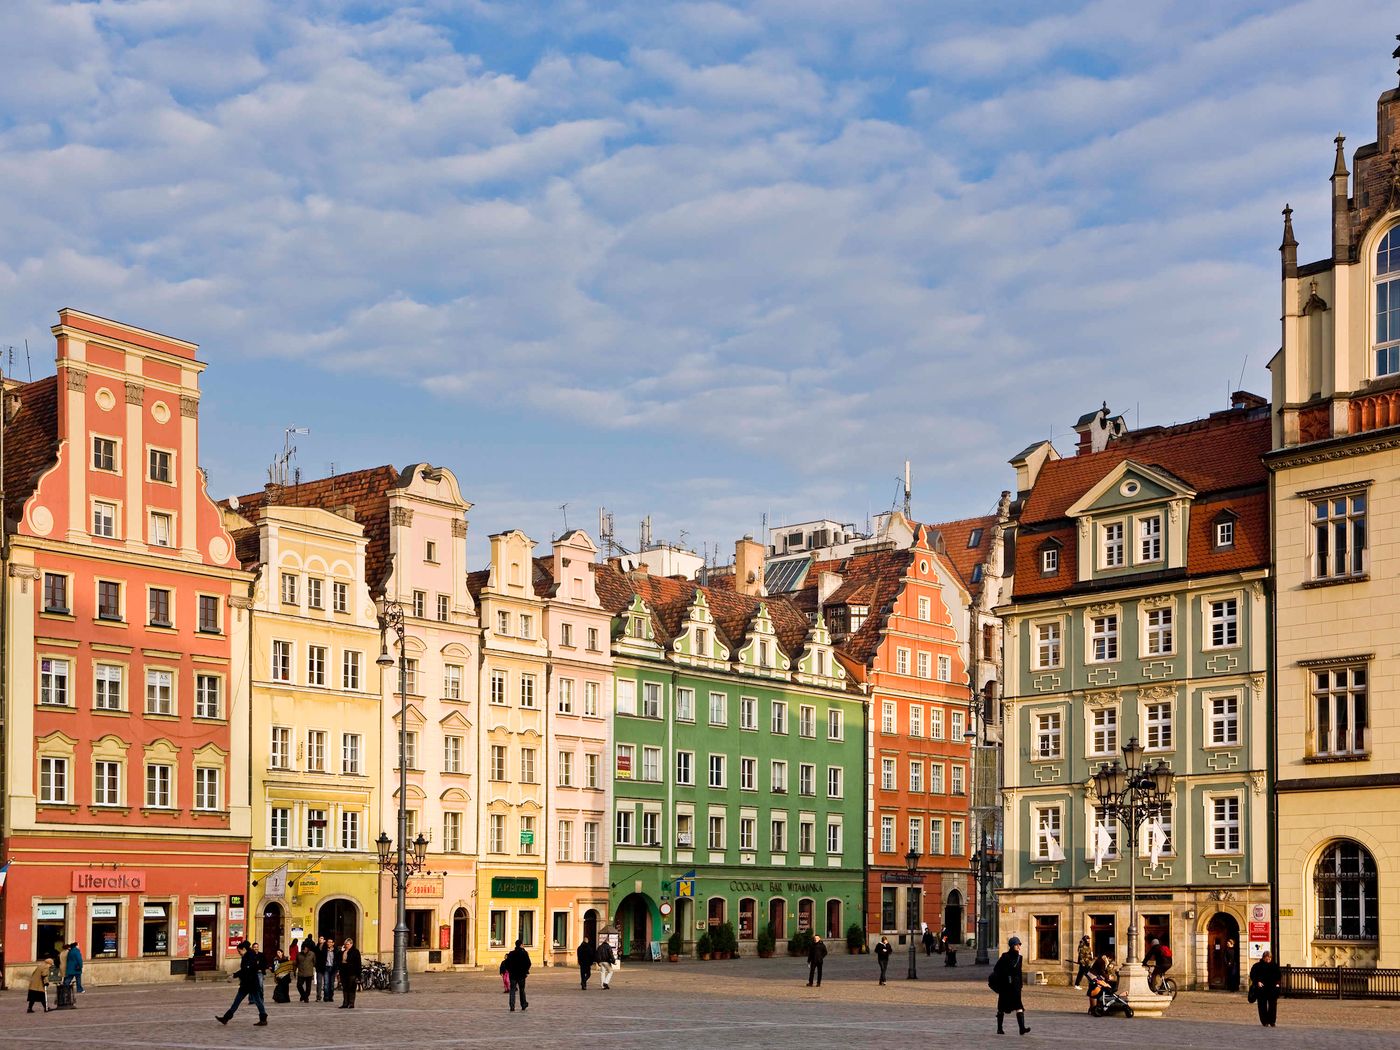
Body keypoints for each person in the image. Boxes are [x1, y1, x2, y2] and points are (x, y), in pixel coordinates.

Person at [215, 941, 268, 1027]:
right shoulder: (246, 956)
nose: (239, 953)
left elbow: (246, 970)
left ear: (244, 949)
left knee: (258, 1001)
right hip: (246, 984)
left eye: (239, 951)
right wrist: (234, 975)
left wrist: (234, 975)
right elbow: (244, 969)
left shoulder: (250, 956)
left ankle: (263, 1019)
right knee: (237, 1001)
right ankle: (226, 1018)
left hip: (252, 983)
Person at [989, 935, 1030, 1035]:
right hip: (1005, 986)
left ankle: (1022, 1028)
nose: (1019, 947)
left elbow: (1019, 973)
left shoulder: (1020, 958)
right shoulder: (1005, 956)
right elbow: (997, 969)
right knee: (1001, 1008)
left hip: (1015, 987)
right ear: (1012, 946)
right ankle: (999, 1028)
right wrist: (1005, 976)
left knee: (1019, 1006)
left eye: (1019, 945)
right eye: (1017, 945)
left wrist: (1020, 985)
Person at [1249, 950, 1281, 1027]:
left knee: (1272, 1006)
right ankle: (1264, 1021)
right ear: (1263, 958)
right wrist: (1257, 982)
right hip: (1261, 988)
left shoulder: (1274, 965)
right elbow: (1253, 975)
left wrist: (1277, 983)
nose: (1268, 960)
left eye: (1269, 958)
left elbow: (1279, 976)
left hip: (1272, 988)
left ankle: (1272, 1021)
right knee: (1262, 1005)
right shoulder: (1257, 966)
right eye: (1266, 958)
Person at [504, 939, 531, 1012]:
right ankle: (523, 1004)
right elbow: (528, 963)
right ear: (521, 945)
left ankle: (512, 1006)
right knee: (522, 990)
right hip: (522, 975)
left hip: (513, 975)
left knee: (512, 990)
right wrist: (525, 971)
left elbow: (506, 964)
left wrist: (510, 971)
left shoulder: (511, 953)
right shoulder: (524, 953)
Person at [339, 938, 361, 1009]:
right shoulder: (343, 951)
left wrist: (358, 975)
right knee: (345, 988)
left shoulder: (355, 951)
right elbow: (338, 960)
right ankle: (345, 1003)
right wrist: (340, 952)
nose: (346, 946)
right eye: (345, 944)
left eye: (348, 944)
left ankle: (351, 1003)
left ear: (351, 944)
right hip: (343, 971)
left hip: (352, 972)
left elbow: (358, 963)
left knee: (351, 988)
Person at [315, 937, 330, 1002]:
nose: (320, 939)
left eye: (321, 938)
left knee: (326, 983)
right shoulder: (317, 946)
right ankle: (318, 996)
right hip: (318, 967)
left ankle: (326, 996)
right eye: (319, 938)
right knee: (319, 982)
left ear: (324, 940)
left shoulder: (326, 947)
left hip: (325, 967)